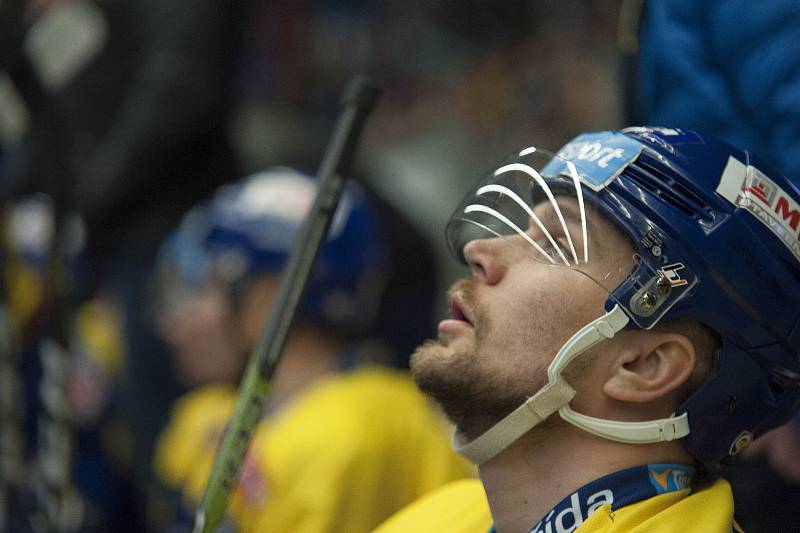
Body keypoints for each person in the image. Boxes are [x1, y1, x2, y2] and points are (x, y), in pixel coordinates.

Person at [374, 127, 800, 532]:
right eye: (525, 230)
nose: (479, 250)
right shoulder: (439, 517)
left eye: (556, 245)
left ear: (643, 365)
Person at [152, 167, 473, 532]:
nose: (176, 324)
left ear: (268, 300)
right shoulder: (214, 410)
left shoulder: (344, 435)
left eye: (206, 289)